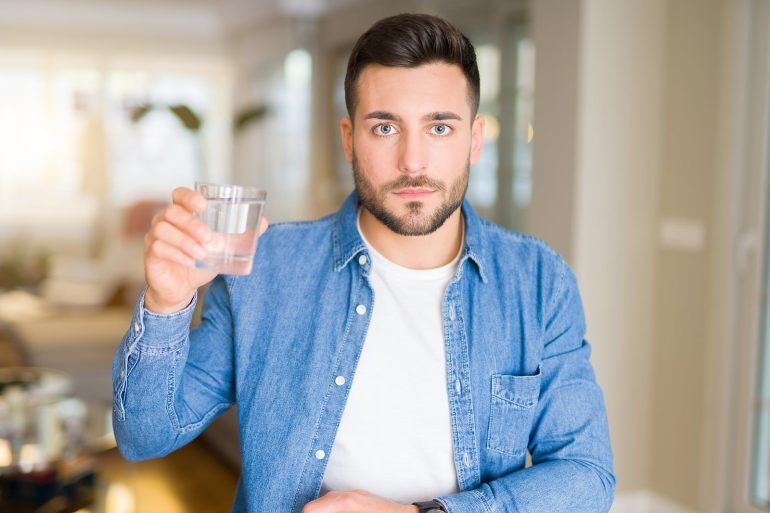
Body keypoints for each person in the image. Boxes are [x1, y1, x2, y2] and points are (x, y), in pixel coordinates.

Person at [112, 13, 615, 513]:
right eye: (385, 127)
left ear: (475, 141)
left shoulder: (538, 282)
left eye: (439, 127)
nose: (413, 161)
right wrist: (167, 301)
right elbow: (143, 434)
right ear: (350, 138)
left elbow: (587, 476)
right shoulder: (264, 272)